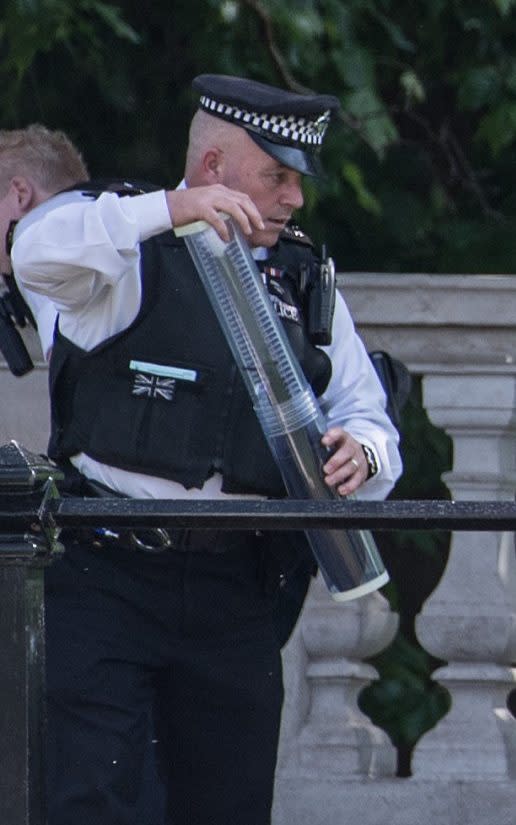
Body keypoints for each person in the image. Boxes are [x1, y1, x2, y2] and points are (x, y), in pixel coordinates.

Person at [10, 76, 402, 825]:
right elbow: (33, 252)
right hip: (106, 572)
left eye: (296, 181)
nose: (294, 199)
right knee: (89, 797)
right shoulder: (126, 246)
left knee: (228, 805)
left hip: (234, 591)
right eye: (277, 176)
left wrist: (367, 456)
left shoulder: (304, 276)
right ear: (215, 167)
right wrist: (169, 210)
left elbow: (370, 417)